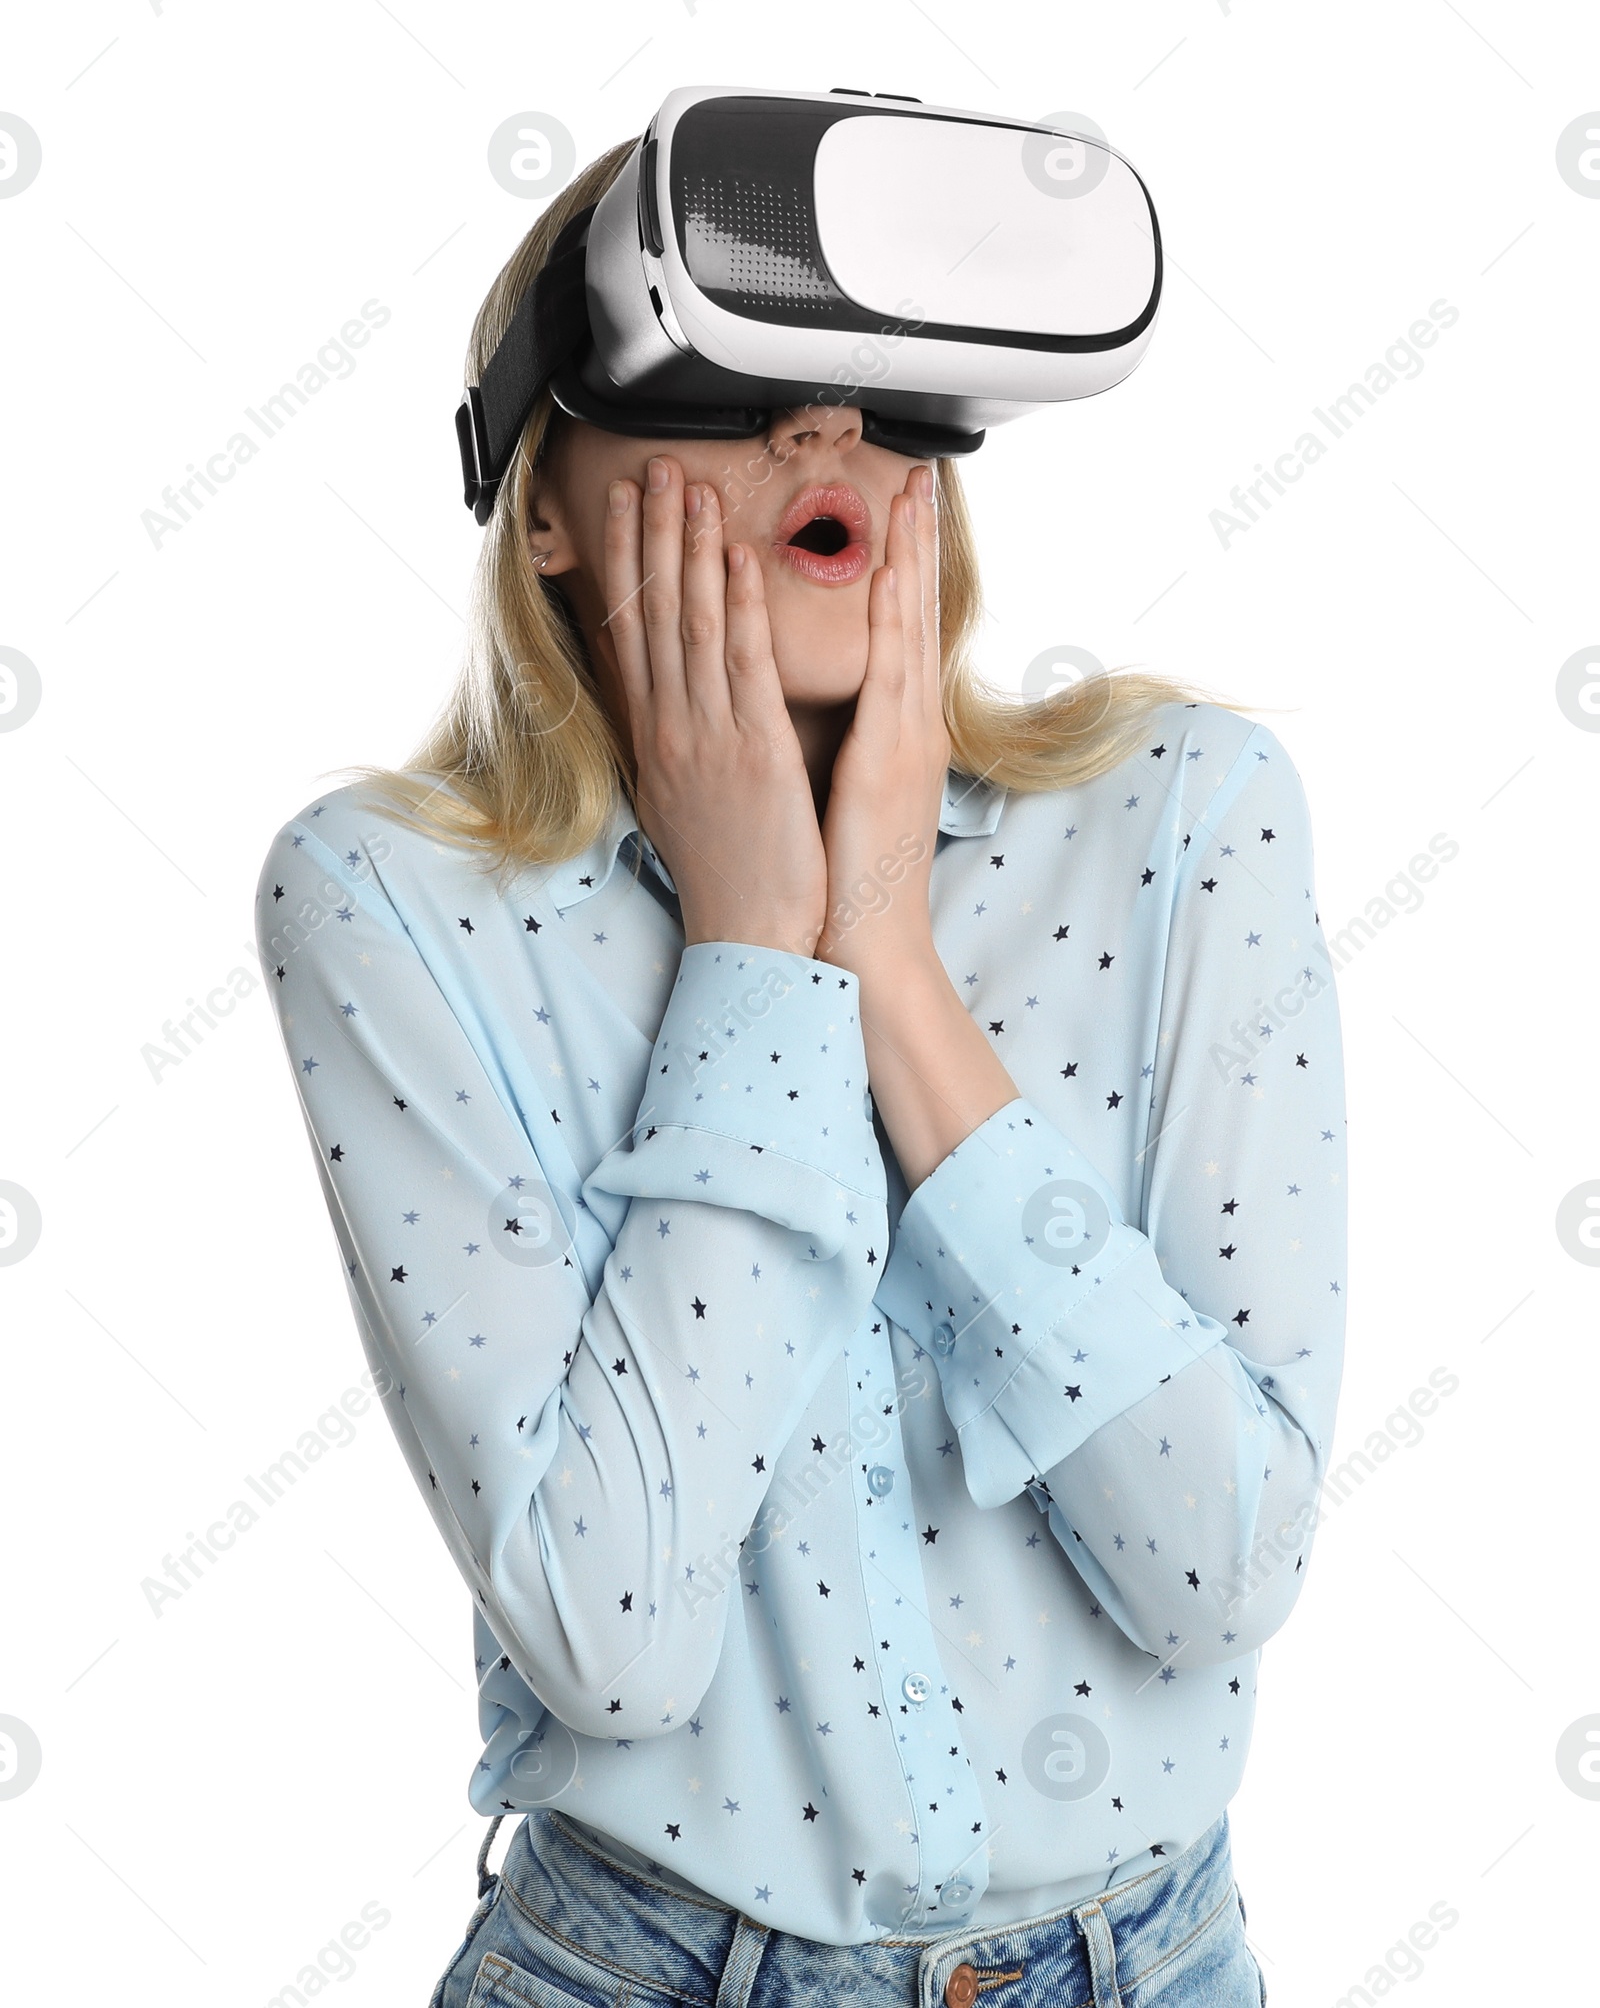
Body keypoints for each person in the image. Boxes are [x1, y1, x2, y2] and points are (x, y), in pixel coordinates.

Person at [256, 130, 1345, 2008]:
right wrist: (756, 957)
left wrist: (892, 965)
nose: (822, 425)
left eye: (880, 389)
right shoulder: (391, 902)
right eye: (734, 381)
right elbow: (611, 1639)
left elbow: (1214, 1572)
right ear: (548, 509)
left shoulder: (1185, 818)